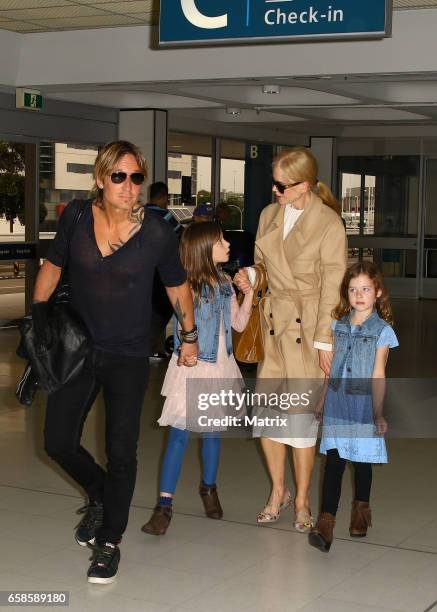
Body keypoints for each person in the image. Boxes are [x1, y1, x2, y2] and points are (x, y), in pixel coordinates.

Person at [31, 141, 197, 584]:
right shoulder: (77, 218)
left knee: (123, 451)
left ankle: (109, 542)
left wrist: (189, 336)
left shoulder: (158, 233)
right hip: (78, 349)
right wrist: (39, 318)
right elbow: (52, 265)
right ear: (101, 179)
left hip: (127, 355)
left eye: (137, 177)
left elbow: (178, 288)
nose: (129, 186)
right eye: (119, 177)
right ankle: (101, 493)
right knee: (57, 441)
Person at [234, 147, 346, 532]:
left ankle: (301, 500)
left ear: (305, 185)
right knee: (267, 418)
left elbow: (334, 286)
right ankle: (276, 492)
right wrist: (251, 275)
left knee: (299, 421)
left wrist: (325, 342)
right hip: (272, 328)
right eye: (274, 183)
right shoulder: (268, 214)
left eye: (282, 184)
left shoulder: (329, 223)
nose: (275, 190)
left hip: (308, 330)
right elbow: (266, 269)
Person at [141, 221, 253, 536]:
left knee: (212, 434)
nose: (227, 244)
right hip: (191, 368)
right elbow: (179, 326)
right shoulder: (185, 284)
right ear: (204, 248)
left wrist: (250, 293)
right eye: (220, 240)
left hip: (220, 367)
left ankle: (208, 488)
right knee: (178, 435)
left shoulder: (225, 282)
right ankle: (164, 506)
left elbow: (240, 325)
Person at [309, 261, 398, 552]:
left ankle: (361, 511)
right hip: (337, 401)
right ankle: (325, 522)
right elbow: (331, 368)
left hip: (362, 405)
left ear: (378, 292)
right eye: (353, 289)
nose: (359, 295)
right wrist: (322, 399)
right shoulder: (338, 325)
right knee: (334, 461)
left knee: (360, 462)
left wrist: (378, 412)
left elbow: (378, 373)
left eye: (365, 289)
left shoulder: (382, 331)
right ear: (346, 293)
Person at [146, 181, 181, 359]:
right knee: (163, 308)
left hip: (142, 269)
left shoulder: (138, 213)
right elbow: (180, 235)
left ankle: (152, 347)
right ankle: (152, 348)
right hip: (159, 270)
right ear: (163, 197)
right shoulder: (166, 217)